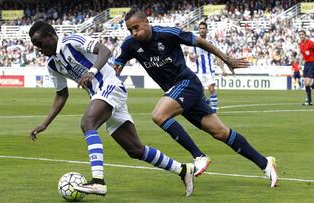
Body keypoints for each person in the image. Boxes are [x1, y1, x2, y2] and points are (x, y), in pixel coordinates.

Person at [113, 7, 278, 188]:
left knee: (159, 115)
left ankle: (198, 156)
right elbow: (117, 66)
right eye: (130, 30)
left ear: (146, 22)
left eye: (136, 27)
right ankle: (265, 163)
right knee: (221, 132)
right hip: (178, 92)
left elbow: (199, 41)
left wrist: (226, 58)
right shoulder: (129, 44)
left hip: (187, 83)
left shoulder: (167, 34)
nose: (134, 33)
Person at [28, 21, 195, 197]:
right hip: (100, 96)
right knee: (135, 150)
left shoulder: (72, 41)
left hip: (110, 86)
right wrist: (45, 123)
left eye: (40, 44)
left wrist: (92, 72)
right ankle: (183, 170)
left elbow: (105, 50)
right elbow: (61, 94)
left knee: (87, 123)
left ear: (51, 36)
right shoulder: (53, 65)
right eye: (35, 46)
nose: (39, 49)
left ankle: (98, 181)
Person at [187, 22, 230, 112]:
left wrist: (222, 69)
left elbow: (217, 56)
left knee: (211, 88)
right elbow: (190, 54)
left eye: (204, 28)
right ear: (198, 30)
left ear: (206, 30)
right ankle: (206, 104)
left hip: (209, 70)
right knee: (200, 92)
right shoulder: (194, 41)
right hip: (198, 71)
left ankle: (214, 110)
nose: (202, 30)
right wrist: (193, 57)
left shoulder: (211, 42)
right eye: (200, 28)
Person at [298, 29, 314, 105]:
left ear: (305, 35)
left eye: (302, 34)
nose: (301, 36)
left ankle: (309, 100)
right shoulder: (300, 44)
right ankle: (309, 100)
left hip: (312, 63)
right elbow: (302, 54)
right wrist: (299, 63)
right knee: (305, 83)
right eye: (300, 35)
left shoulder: (310, 43)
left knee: (309, 83)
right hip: (306, 64)